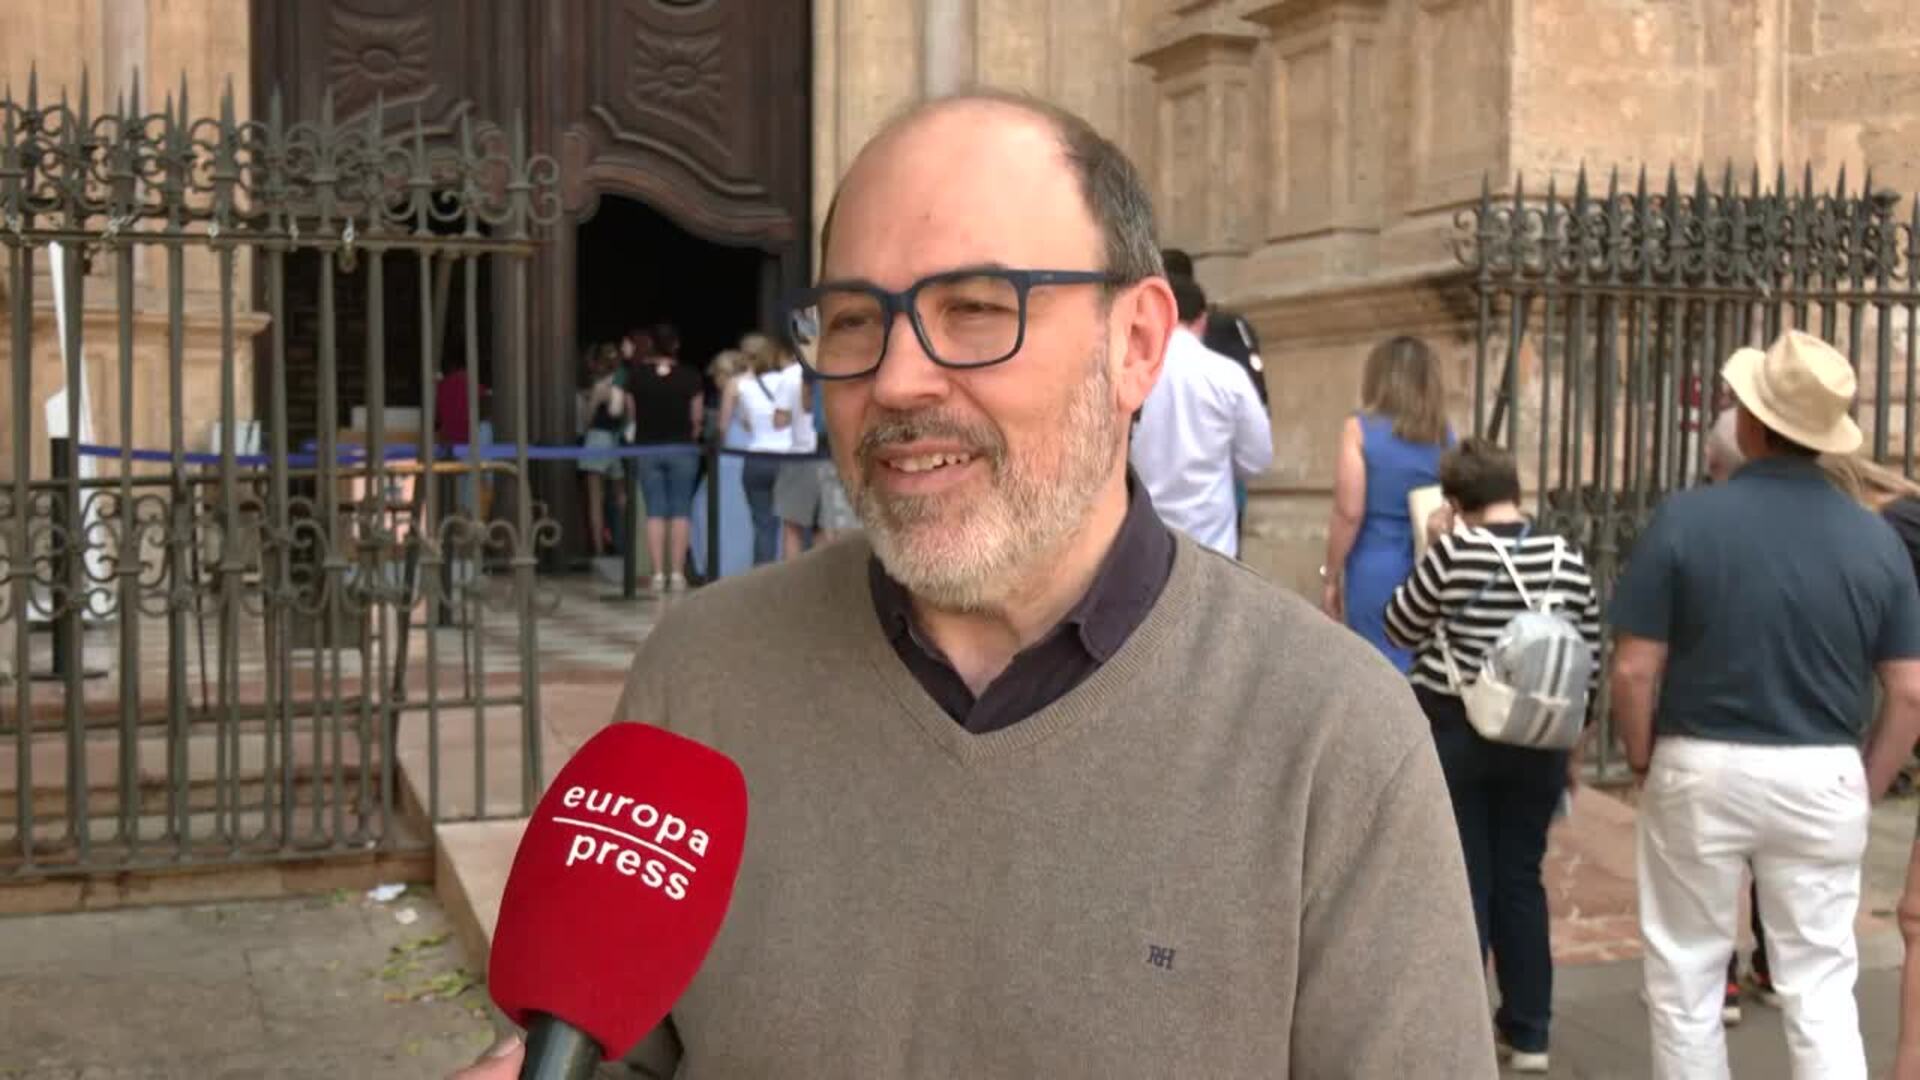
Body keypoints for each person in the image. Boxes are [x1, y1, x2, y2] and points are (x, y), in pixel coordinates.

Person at [449, 89, 1495, 1079]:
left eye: (977, 308)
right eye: (855, 320)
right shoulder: (703, 676)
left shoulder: (1332, 737)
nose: (898, 379)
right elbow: (630, 1046)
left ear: (1134, 345)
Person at [1609, 329, 1920, 1079]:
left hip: (1700, 759)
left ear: (1748, 423)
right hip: (1822, 768)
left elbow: (1632, 670)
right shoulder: (1874, 540)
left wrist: (1645, 758)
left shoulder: (1686, 519)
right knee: (1820, 985)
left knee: (1685, 979)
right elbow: (1909, 690)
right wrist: (1867, 783)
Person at [1381, 437, 1601, 1073]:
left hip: (1459, 731)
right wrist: (1576, 751)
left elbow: (1400, 625)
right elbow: (1588, 652)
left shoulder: (1452, 554)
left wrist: (1434, 543)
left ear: (1454, 499)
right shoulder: (1565, 557)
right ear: (1514, 490)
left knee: (1464, 877)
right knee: (1521, 879)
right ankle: (1530, 1031)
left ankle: (1465, 1026)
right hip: (1540, 742)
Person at [1321, 335, 1453, 671]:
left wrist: (1330, 575)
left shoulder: (1359, 429)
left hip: (1374, 564)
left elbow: (1348, 512)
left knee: (1375, 669)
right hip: (1430, 567)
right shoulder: (1445, 436)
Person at [1128, 274, 1273, 558]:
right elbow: (1257, 458)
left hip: (1144, 536)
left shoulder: (1133, 372)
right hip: (1210, 541)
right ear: (1202, 320)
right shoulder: (1227, 375)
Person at [626, 323, 705, 590]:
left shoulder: (636, 376)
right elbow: (697, 417)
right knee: (681, 510)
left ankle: (658, 573)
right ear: (676, 346)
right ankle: (678, 573)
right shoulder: (690, 376)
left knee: (655, 511)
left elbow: (632, 414)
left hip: (647, 447)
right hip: (682, 448)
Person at [733, 333, 795, 565]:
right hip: (788, 459)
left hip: (757, 458)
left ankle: (763, 578)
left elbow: (746, 422)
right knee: (794, 526)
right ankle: (795, 581)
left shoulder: (746, 387)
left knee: (763, 525)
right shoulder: (791, 383)